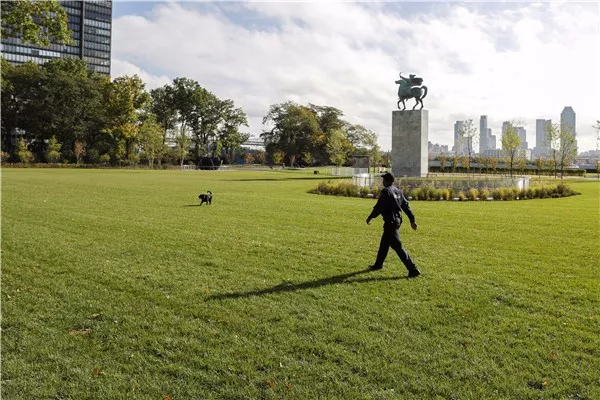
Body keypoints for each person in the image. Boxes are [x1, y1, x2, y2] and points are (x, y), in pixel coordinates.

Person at [366, 172, 421, 278]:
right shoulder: (398, 191)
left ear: (387, 181)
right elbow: (406, 206)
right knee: (384, 244)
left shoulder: (386, 191)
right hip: (397, 221)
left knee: (397, 246)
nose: (382, 181)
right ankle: (378, 264)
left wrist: (370, 217)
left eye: (384, 179)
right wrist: (412, 220)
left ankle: (413, 269)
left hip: (390, 222)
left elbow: (379, 207)